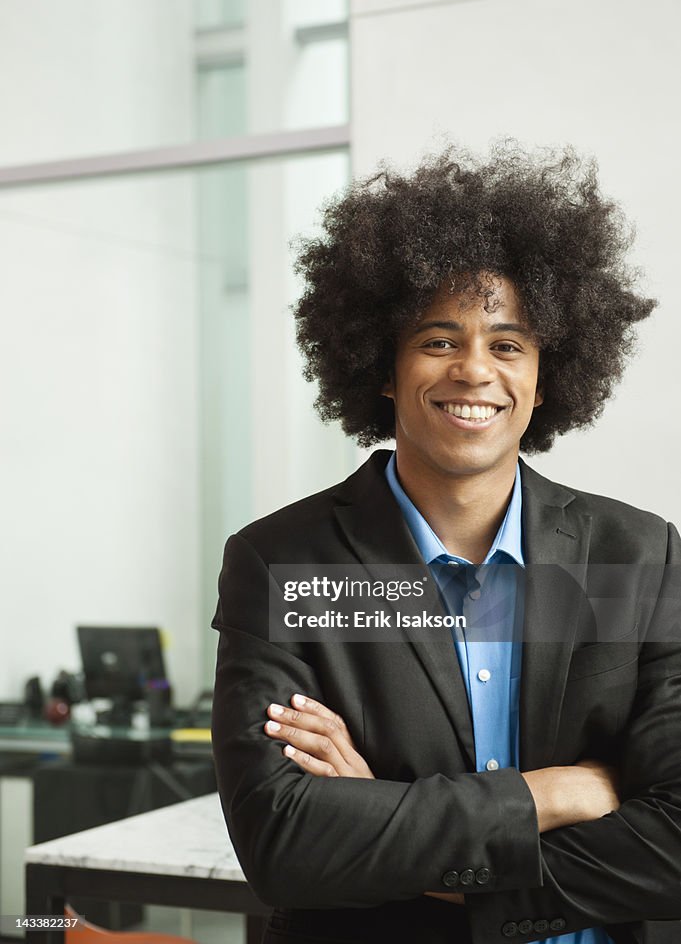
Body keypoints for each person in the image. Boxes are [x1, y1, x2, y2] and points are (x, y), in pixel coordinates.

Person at [211, 143, 681, 944]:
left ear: (543, 375)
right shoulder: (286, 564)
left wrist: (421, 856)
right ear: (383, 369)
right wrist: (552, 793)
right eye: (437, 341)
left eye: (506, 345)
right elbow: (287, 842)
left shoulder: (635, 555)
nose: (473, 371)